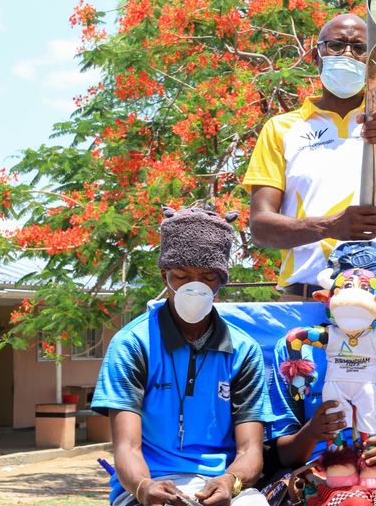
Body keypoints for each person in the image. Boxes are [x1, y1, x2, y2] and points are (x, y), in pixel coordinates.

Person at [242, 13, 376, 301]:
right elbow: (261, 227)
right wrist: (332, 227)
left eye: (359, 48)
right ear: (316, 54)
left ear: (372, 62)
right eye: (336, 45)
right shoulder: (281, 129)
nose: (347, 54)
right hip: (305, 300)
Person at [92, 207, 271, 506]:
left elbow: (250, 452)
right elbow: (127, 448)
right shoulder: (132, 344)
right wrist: (143, 487)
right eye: (182, 276)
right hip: (147, 487)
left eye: (207, 277)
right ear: (165, 275)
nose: (194, 287)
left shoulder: (244, 350)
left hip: (220, 488)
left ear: (221, 281)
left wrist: (230, 481)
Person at [265, 247, 376, 506]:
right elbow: (284, 453)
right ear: (330, 297)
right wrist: (314, 431)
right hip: (323, 467)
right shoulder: (300, 347)